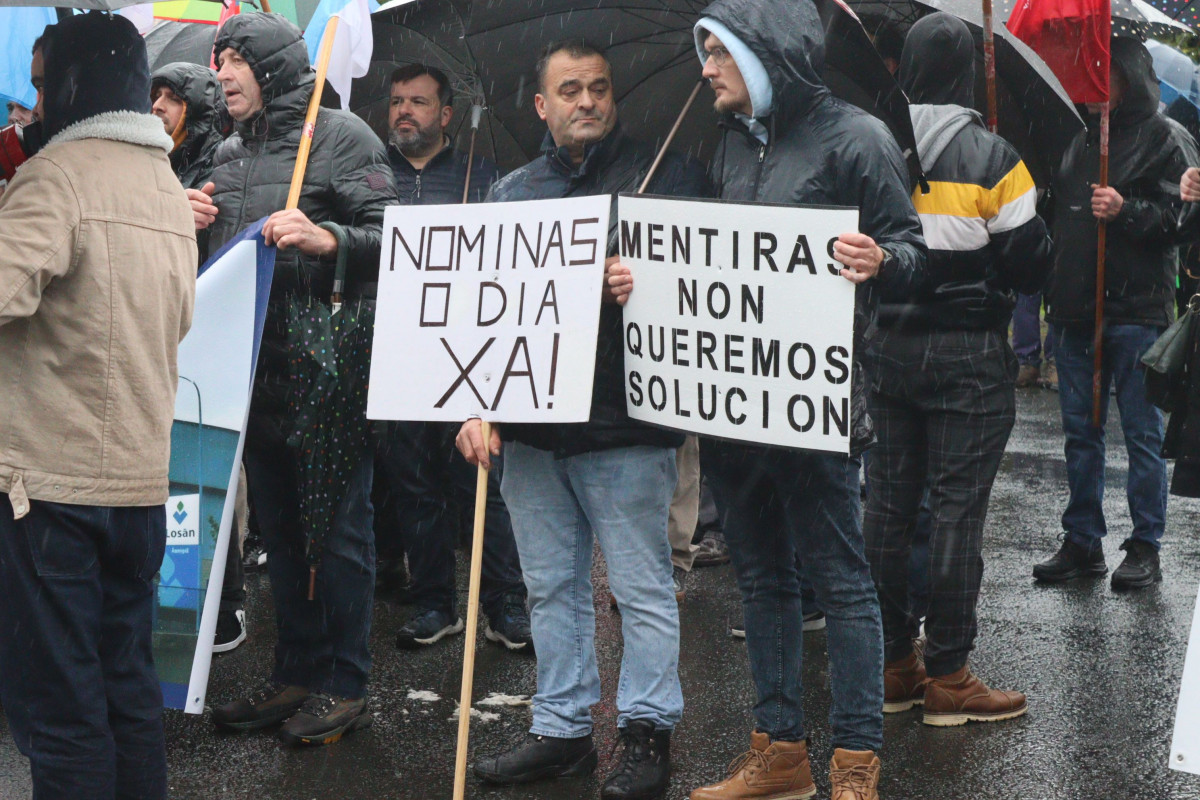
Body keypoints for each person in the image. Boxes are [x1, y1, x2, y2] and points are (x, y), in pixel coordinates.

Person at [456, 39, 711, 800]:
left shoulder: (668, 176)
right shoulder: (510, 194)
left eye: (599, 87)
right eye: (570, 90)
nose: (588, 101)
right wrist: (472, 405)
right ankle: (562, 730)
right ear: (542, 105)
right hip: (533, 434)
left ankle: (647, 734)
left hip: (626, 425)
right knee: (549, 589)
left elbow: (705, 286)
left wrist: (646, 281)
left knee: (641, 588)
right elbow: (481, 310)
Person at [686, 1, 926, 798]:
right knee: (762, 580)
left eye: (719, 52)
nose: (706, 69)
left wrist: (880, 258)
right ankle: (780, 753)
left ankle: (856, 764)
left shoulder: (858, 137)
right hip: (732, 405)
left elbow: (915, 253)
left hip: (814, 403)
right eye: (704, 52)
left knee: (841, 580)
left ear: (764, 54)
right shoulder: (726, 142)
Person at [0, 12, 196, 798]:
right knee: (126, 688)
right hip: (139, 484)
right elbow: (180, 319)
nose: (38, 103)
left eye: (45, 84)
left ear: (79, 84)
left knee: (62, 704)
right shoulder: (166, 186)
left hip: (51, 488)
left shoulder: (57, 176)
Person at [194, 12, 398, 746]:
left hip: (329, 375)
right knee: (280, 534)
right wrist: (183, 219)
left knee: (338, 536)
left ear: (272, 67)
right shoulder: (224, 152)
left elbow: (399, 238)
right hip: (252, 379)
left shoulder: (344, 137)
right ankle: (296, 671)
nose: (221, 74)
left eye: (234, 60)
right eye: (217, 61)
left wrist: (328, 237)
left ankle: (346, 682)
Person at [864, 13, 1051, 728]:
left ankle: (892, 663)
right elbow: (1031, 267)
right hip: (968, 356)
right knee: (955, 515)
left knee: (887, 510)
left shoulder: (872, 144)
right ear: (967, 74)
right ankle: (948, 674)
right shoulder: (992, 156)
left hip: (887, 347)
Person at [374, 63, 531, 651]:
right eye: (397, 101)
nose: (404, 111)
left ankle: (504, 603)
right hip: (399, 350)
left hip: (469, 347)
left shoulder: (484, 177)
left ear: (445, 114)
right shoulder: (373, 176)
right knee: (413, 483)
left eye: (418, 102)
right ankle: (434, 602)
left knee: (479, 481)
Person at [1033, 37, 1200, 591]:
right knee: (1080, 434)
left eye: (1103, 73)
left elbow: (1182, 223)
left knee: (1141, 435)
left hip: (1135, 311)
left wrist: (1127, 210)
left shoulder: (1166, 138)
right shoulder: (1077, 137)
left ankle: (1146, 544)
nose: (1093, 85)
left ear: (1127, 76)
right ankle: (1082, 539)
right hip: (1075, 311)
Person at [150, 62, 252, 655]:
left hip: (204, 339)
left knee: (203, 476)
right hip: (154, 331)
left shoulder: (220, 165)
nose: (158, 107)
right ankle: (172, 596)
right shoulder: (149, 162)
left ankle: (223, 603)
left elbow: (230, 249)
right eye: (154, 95)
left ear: (199, 108)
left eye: (172, 98)